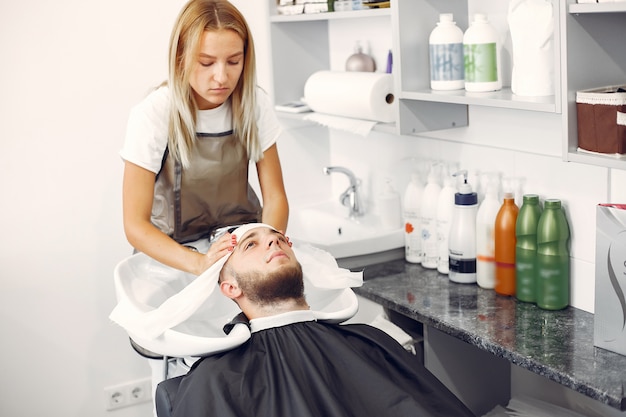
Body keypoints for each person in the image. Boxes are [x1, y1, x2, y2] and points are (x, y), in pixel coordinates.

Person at [163, 225, 476, 417]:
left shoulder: (369, 341)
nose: (273, 243)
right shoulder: (216, 381)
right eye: (251, 245)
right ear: (230, 287)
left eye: (278, 239)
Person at [120, 0, 289, 277]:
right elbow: (135, 226)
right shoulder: (155, 112)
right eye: (206, 62)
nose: (221, 77)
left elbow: (275, 198)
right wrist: (200, 263)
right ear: (180, 58)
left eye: (234, 61)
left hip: (240, 247)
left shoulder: (254, 103)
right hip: (174, 256)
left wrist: (266, 244)